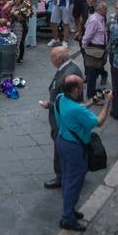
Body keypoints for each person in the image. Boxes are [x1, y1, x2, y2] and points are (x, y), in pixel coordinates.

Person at [53, 74, 107, 231]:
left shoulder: (60, 99)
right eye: (81, 85)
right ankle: (67, 218)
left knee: (68, 178)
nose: (84, 86)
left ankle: (69, 209)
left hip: (62, 141)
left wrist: (93, 101)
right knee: (74, 182)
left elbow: (80, 109)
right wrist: (107, 103)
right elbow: (99, 121)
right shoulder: (75, 109)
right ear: (76, 90)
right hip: (74, 148)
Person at [42, 45, 79, 189]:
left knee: (60, 148)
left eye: (52, 57)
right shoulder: (67, 69)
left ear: (59, 58)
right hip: (61, 117)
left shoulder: (68, 74)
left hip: (61, 120)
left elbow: (68, 103)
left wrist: (49, 105)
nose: (51, 60)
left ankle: (62, 177)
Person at [81, 0, 109, 95]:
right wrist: (85, 48)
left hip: (101, 48)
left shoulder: (101, 18)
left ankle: (92, 90)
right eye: (105, 9)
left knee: (97, 68)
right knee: (92, 71)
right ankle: (91, 93)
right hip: (94, 49)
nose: (107, 10)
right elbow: (88, 35)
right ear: (99, 9)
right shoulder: (94, 20)